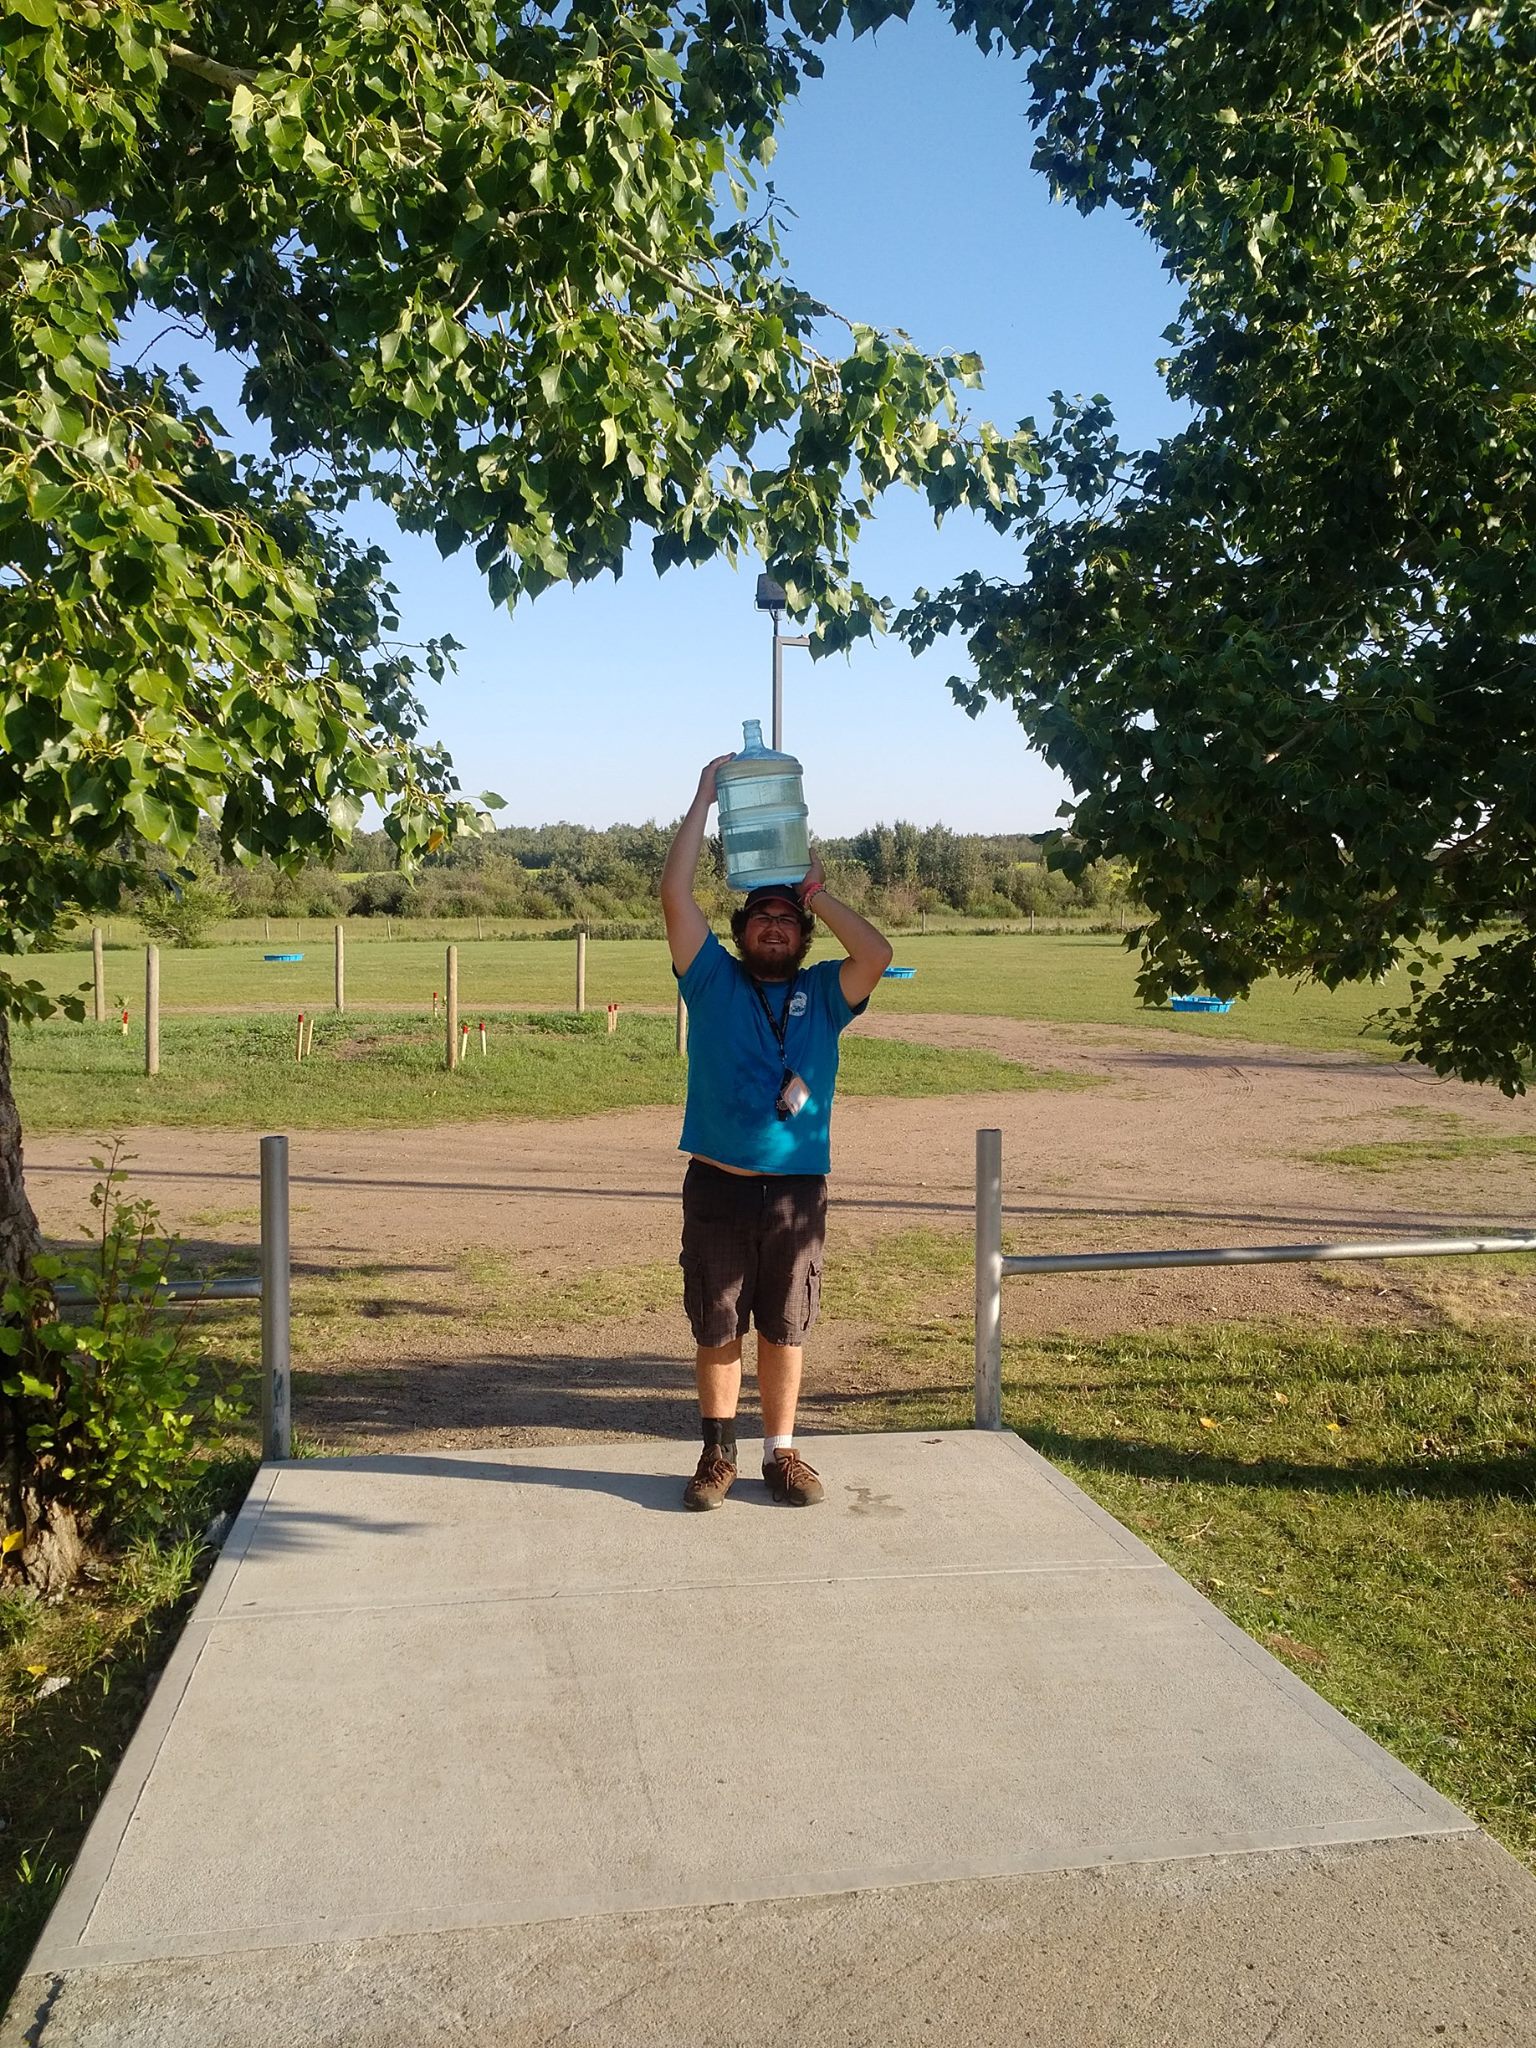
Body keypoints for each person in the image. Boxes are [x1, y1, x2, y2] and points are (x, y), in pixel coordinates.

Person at [659, 752, 893, 1511]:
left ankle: (781, 1454)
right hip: (720, 1185)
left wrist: (816, 892)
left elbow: (877, 954)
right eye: (761, 916)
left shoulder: (827, 993)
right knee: (718, 1321)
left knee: (786, 1327)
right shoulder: (711, 979)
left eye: (787, 919)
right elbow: (673, 891)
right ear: (740, 929)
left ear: (802, 935)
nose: (774, 927)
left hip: (797, 1192)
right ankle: (717, 1455)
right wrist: (703, 796)